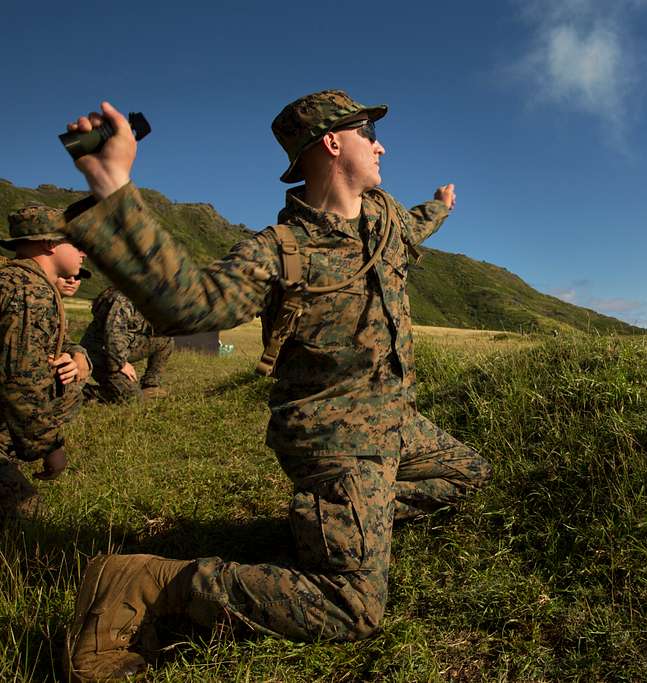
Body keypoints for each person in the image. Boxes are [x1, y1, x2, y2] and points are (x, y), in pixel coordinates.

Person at [61, 93, 492, 681]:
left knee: (467, 473)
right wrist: (113, 189)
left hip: (396, 423)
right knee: (354, 608)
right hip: (335, 441)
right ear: (334, 142)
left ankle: (335, 526)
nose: (381, 144)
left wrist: (441, 205)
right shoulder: (278, 252)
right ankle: (156, 582)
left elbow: (418, 224)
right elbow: (190, 304)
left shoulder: (385, 220)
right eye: (369, 133)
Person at [0, 205, 91, 518]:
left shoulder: (18, 281)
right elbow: (22, 379)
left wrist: (78, 355)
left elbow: (52, 343)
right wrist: (51, 449)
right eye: (76, 244)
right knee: (31, 517)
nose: (84, 254)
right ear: (50, 244)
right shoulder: (30, 292)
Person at [79, 286, 174, 402]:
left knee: (166, 340)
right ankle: (80, 393)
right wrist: (121, 363)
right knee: (132, 397)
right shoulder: (122, 299)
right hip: (98, 354)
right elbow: (113, 333)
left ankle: (150, 385)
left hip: (120, 349)